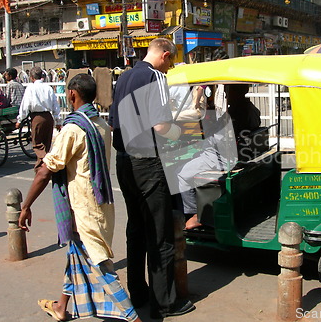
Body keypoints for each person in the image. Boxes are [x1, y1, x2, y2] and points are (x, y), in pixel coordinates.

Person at [17, 74, 142, 322]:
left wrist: (26, 206)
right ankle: (62, 306)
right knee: (76, 253)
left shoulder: (74, 129)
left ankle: (133, 318)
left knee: (102, 267)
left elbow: (44, 172)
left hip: (85, 207)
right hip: (99, 203)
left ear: (72, 94)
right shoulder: (101, 125)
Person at [109, 38, 195, 319]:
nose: (170, 68)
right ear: (165, 55)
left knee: (135, 230)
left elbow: (114, 122)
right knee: (160, 236)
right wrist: (180, 134)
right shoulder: (155, 76)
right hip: (147, 163)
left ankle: (138, 293)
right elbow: (160, 125)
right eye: (170, 62)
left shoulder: (124, 77)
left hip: (124, 162)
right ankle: (165, 303)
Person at [177, 84, 261, 230]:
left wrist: (204, 131)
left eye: (230, 90)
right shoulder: (249, 108)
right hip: (240, 152)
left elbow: (219, 138)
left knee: (181, 174)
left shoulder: (235, 112)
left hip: (222, 157)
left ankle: (195, 214)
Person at [16, 66, 61, 170]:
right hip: (48, 118)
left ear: (31, 77)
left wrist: (20, 120)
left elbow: (25, 106)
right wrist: (58, 121)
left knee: (37, 145)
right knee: (46, 144)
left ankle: (45, 164)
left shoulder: (31, 88)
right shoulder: (48, 88)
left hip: (37, 118)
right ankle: (41, 168)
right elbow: (55, 105)